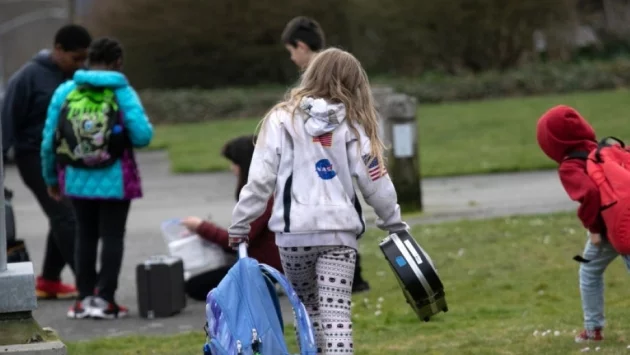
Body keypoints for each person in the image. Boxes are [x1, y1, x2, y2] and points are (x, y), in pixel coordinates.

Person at [227, 48, 409, 354]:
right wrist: (394, 223)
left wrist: (240, 223)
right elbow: (375, 181)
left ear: (310, 74)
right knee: (337, 317)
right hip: (339, 235)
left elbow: (259, 181)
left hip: (292, 235)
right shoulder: (353, 124)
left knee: (308, 313)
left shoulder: (280, 120)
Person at [40, 37, 154, 319]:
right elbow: (143, 136)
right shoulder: (122, 91)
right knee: (113, 236)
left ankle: (83, 299)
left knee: (85, 235)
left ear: (89, 60)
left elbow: (48, 142)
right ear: (118, 62)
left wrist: (51, 179)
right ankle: (105, 300)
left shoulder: (66, 90)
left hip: (76, 178)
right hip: (116, 177)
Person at [1, 24, 92, 299]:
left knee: (65, 215)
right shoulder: (27, 77)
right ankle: (89, 287)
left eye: (83, 58)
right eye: (75, 58)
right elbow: (6, 120)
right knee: (66, 216)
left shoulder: (77, 76)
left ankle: (50, 279)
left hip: (66, 158)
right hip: (33, 158)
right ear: (58, 50)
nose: (80, 64)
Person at [282, 16, 372, 293]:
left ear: (300, 46)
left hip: (320, 164)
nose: (292, 59)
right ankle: (349, 275)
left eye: (291, 52)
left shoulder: (312, 85)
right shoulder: (343, 67)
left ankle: (348, 277)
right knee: (346, 207)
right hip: (341, 162)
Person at [536, 105, 630, 342]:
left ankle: (592, 329)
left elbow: (589, 194)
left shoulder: (570, 165)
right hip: (624, 217)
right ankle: (592, 327)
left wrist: (594, 230)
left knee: (589, 272)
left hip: (616, 227)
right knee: (590, 268)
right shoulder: (603, 149)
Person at [180, 135, 282, 301]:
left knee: (195, 286)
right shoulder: (268, 192)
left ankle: (267, 283)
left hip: (264, 265)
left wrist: (201, 226)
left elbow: (236, 239)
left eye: (235, 164)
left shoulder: (262, 198)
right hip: (258, 261)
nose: (232, 168)